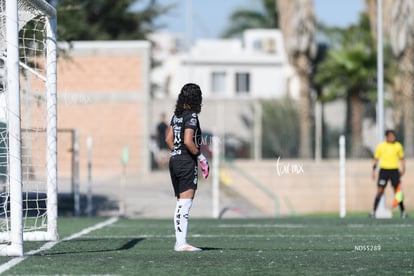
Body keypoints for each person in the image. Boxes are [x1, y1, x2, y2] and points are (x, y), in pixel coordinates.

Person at [165, 83, 209, 252]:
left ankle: (180, 241)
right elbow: (188, 141)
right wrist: (201, 157)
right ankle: (181, 243)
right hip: (186, 162)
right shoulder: (191, 115)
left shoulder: (177, 115)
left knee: (181, 202)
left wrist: (177, 153)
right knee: (185, 202)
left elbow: (168, 139)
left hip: (174, 160)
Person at [371, 129, 407, 218]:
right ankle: (373, 212)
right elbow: (376, 159)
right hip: (384, 171)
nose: (392, 138)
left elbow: (402, 158)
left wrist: (403, 169)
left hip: (394, 171)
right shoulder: (381, 146)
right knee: (380, 191)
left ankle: (403, 212)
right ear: (387, 137)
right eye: (391, 136)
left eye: (393, 136)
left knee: (398, 192)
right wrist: (373, 171)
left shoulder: (398, 146)